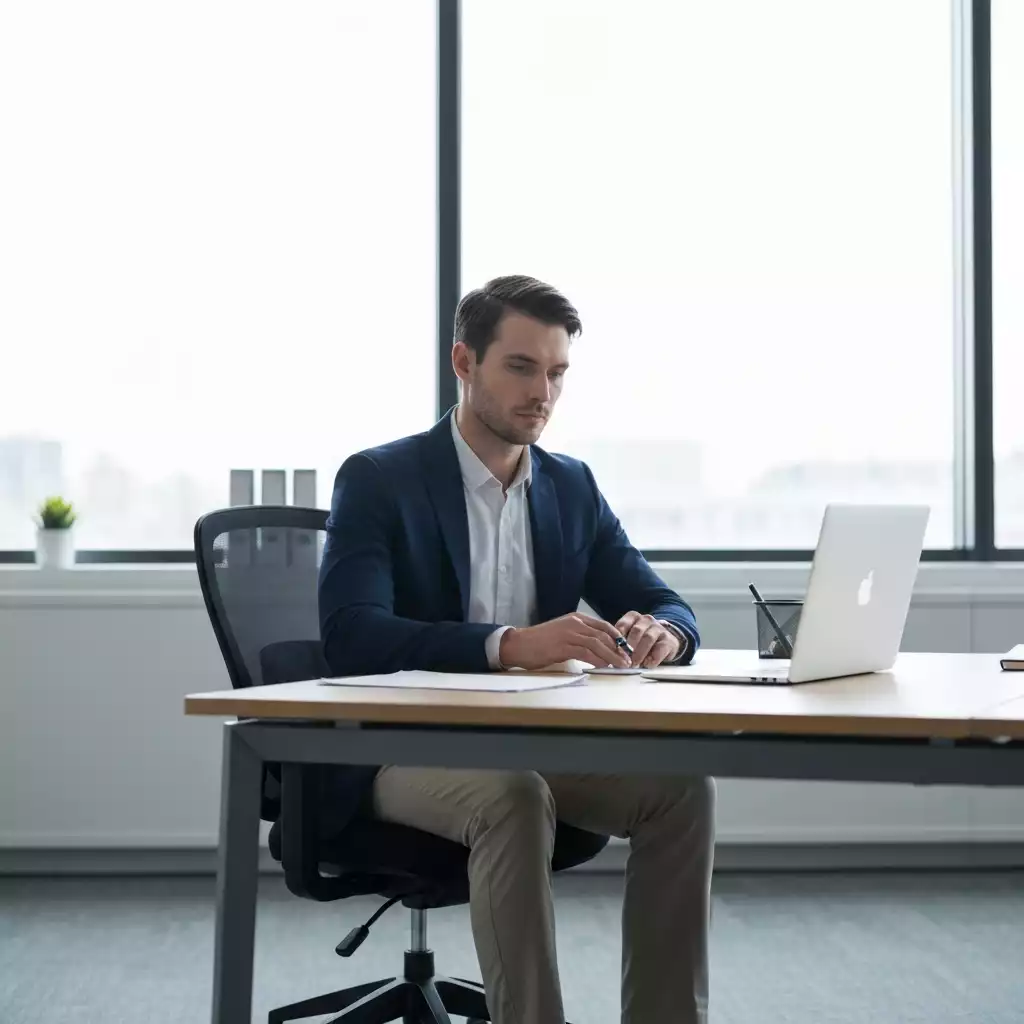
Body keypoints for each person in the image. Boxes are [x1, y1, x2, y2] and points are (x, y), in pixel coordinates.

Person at [318, 275, 714, 1024]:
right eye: (522, 368)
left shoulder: (570, 487)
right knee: (513, 796)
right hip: (400, 750)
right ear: (464, 364)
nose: (544, 393)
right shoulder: (379, 479)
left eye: (558, 373)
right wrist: (509, 646)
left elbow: (665, 600)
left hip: (531, 743)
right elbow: (351, 635)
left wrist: (669, 632)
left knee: (680, 791)